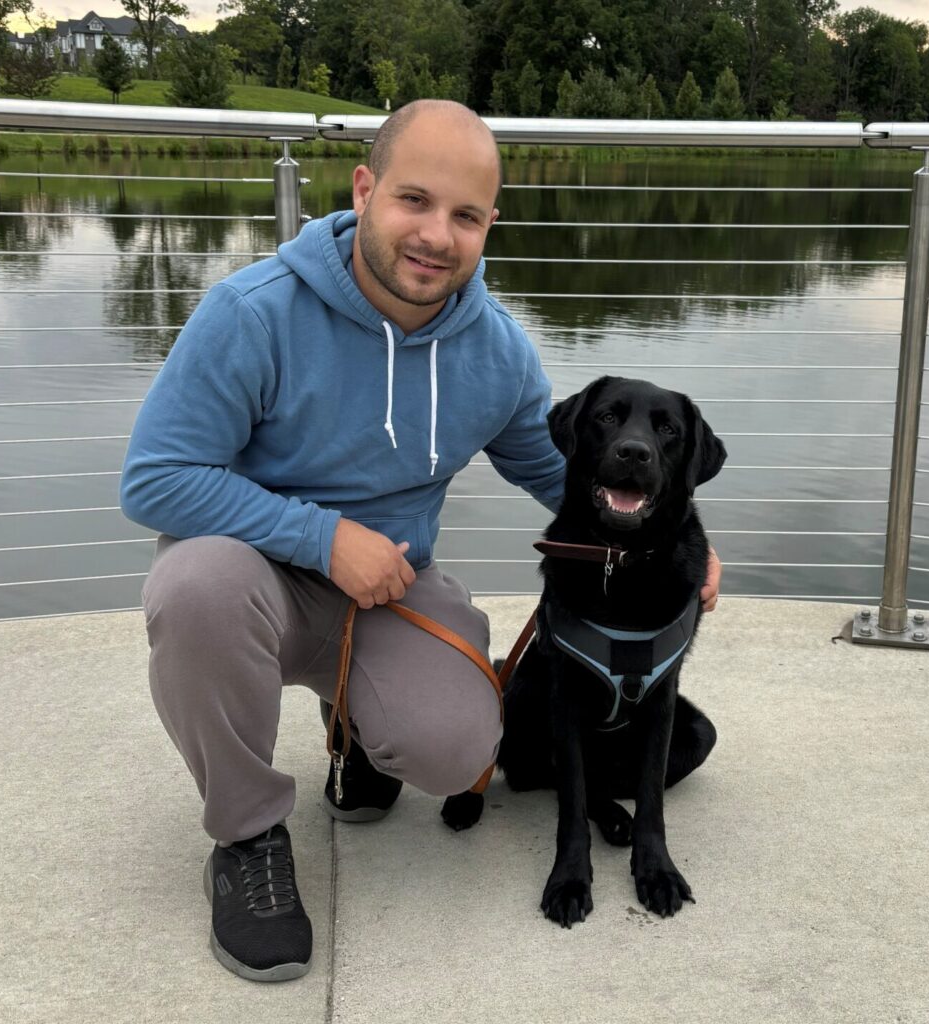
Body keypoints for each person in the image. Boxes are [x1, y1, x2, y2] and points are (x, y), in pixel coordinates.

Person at [121, 99, 722, 983]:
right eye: (414, 200)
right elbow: (156, 478)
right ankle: (247, 837)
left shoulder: (498, 353)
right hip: (251, 577)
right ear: (363, 190)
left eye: (466, 216)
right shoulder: (251, 313)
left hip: (391, 590)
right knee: (194, 589)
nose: (437, 235)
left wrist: (680, 540)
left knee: (458, 748)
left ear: (488, 227)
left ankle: (360, 734)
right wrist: (323, 538)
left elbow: (569, 477)